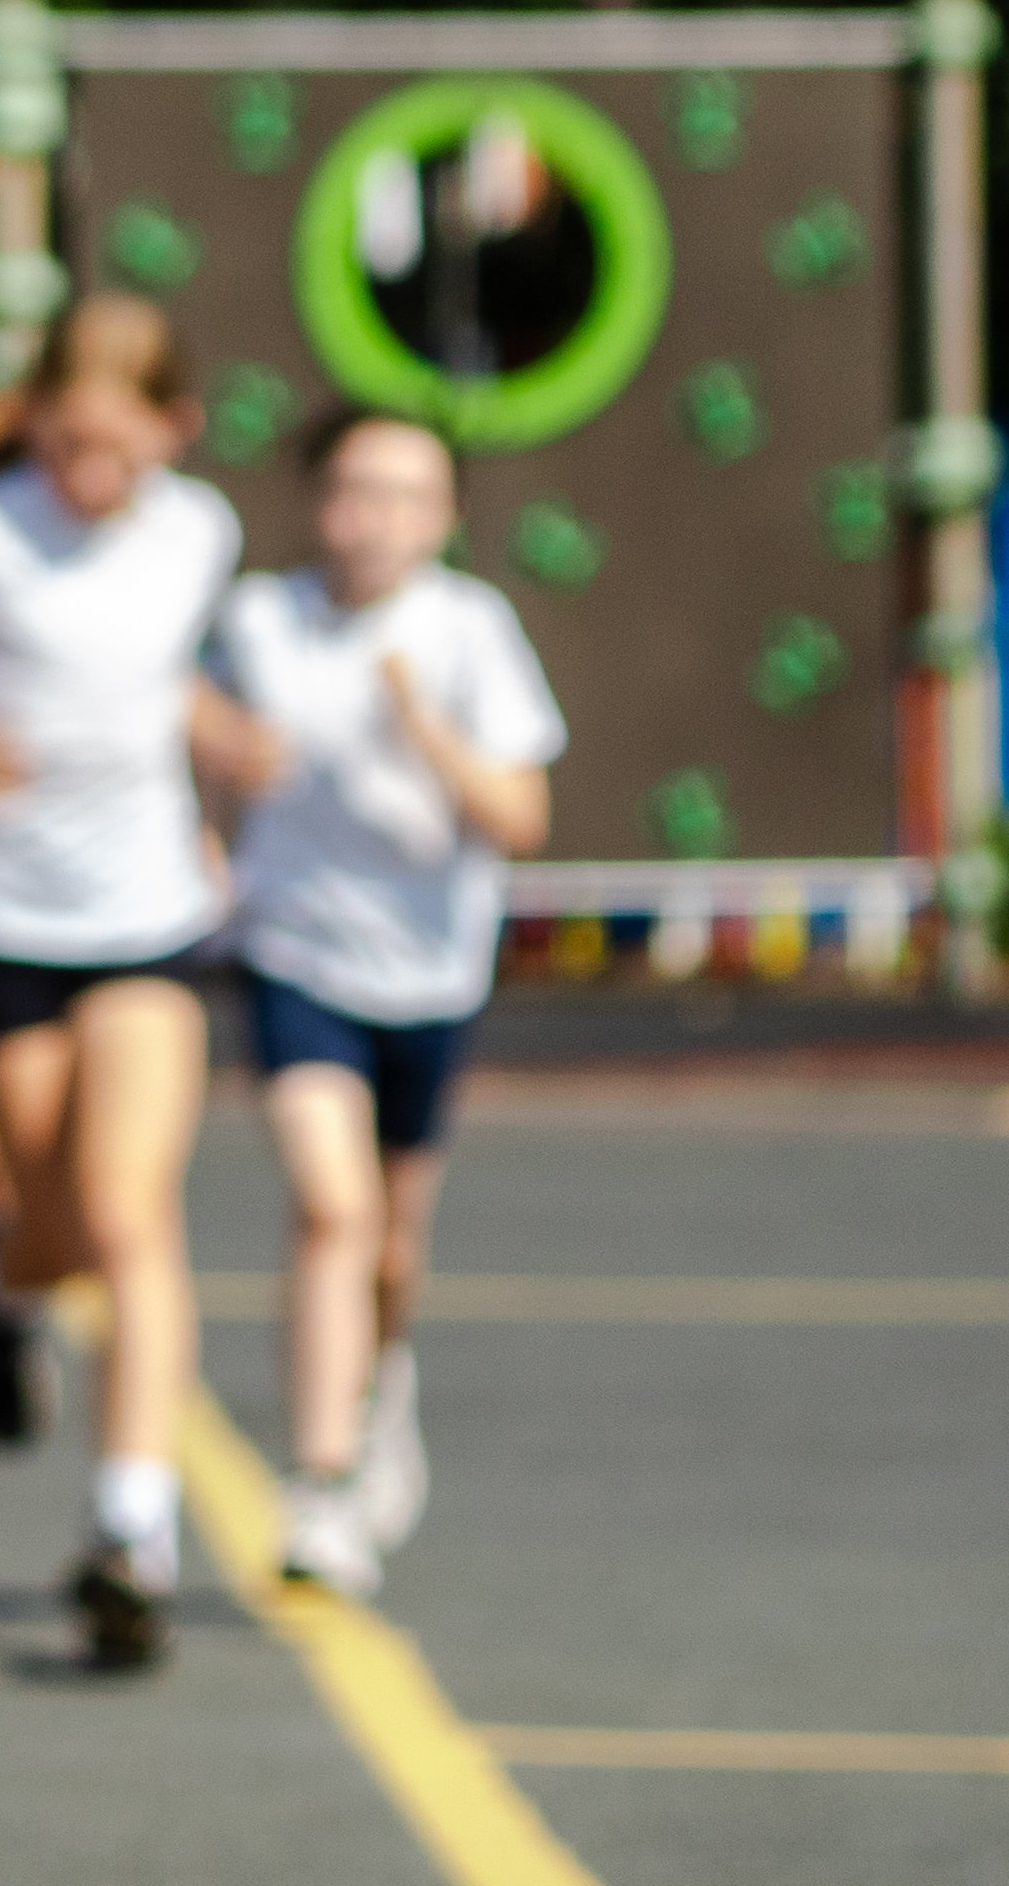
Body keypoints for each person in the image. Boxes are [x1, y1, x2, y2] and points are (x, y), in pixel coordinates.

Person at [0, 296, 249, 1677]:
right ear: (32, 424)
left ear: (169, 428)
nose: (94, 468)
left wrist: (217, 755)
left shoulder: (197, 531)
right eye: (68, 438)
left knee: (132, 1210)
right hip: (5, 917)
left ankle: (127, 1525)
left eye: (119, 441)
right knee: (51, 1216)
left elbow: (159, 678)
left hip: (145, 916)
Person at [206, 410, 562, 1600]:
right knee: (331, 1205)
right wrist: (220, 765)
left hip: (427, 971)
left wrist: (422, 726)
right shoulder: (258, 618)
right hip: (294, 951)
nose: (378, 514)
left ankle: (381, 1376)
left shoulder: (467, 630)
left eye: (408, 492)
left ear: (445, 514)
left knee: (390, 1239)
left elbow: (518, 816)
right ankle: (318, 1478)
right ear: (316, 499)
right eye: (357, 488)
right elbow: (182, 721)